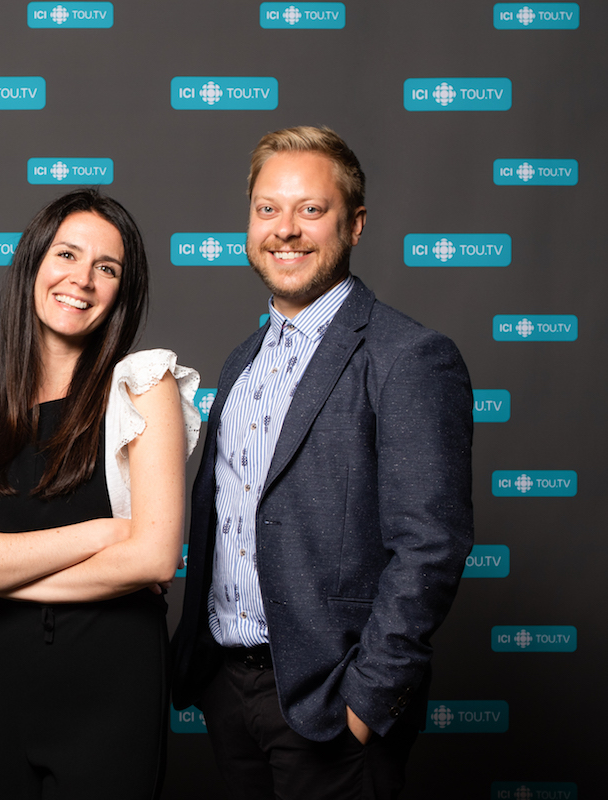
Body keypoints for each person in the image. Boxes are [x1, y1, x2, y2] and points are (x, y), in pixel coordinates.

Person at [171, 126, 474, 798]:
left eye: (312, 210)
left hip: (331, 706)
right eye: (268, 209)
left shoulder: (408, 356)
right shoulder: (242, 362)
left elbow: (430, 546)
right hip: (229, 692)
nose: (286, 230)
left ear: (355, 224)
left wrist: (367, 703)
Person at [0, 189, 200, 799]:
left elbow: (154, 558)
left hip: (115, 681)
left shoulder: (142, 388)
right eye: (67, 255)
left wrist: (3, 569)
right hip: (0, 680)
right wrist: (105, 535)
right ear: (33, 264)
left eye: (107, 268)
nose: (82, 279)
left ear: (121, 292)